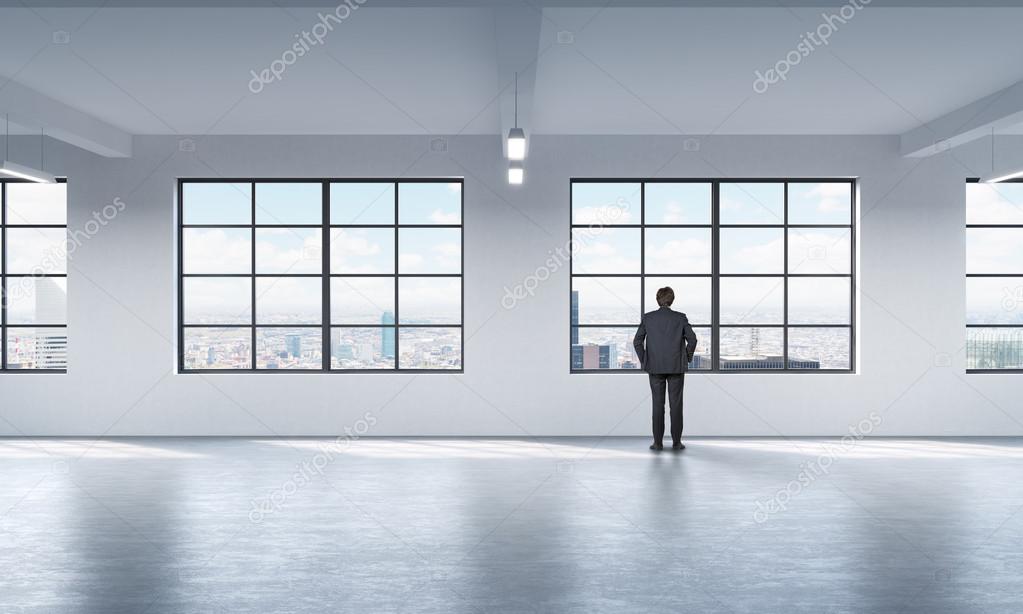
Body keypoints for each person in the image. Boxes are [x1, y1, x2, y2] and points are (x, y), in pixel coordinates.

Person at [633, 286, 698, 451]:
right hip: (676, 367)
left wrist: (645, 360)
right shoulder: (680, 318)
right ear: (672, 299)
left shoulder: (648, 318)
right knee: (676, 405)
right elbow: (693, 340)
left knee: (657, 405)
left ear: (657, 299)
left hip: (654, 367)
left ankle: (658, 443)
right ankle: (677, 442)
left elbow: (637, 342)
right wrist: (687, 357)